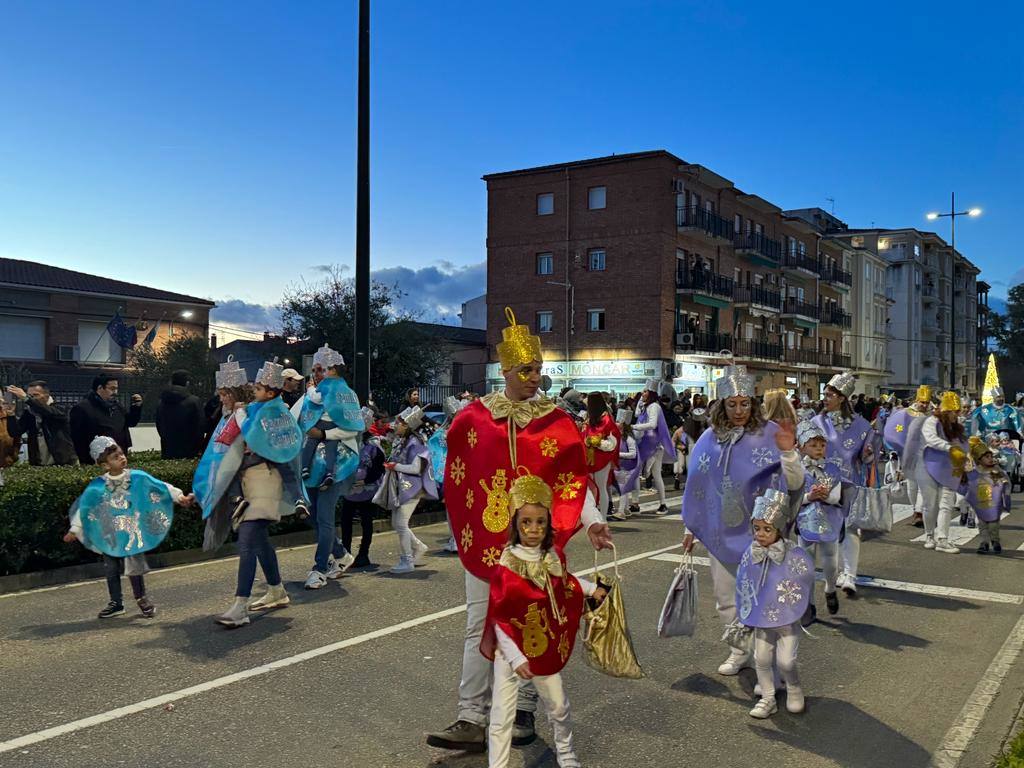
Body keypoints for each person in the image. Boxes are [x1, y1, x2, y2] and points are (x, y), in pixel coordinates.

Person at [425, 307, 611, 753]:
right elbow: (456, 473)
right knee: (478, 624)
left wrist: (593, 521)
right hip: (485, 544)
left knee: (533, 618)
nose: (534, 378)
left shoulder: (556, 422)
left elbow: (571, 480)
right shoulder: (473, 418)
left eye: (538, 370)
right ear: (505, 369)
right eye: (526, 370)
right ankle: (471, 716)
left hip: (534, 545)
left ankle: (524, 707)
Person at [681, 364, 803, 676]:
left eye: (745, 403)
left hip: (760, 532)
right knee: (725, 597)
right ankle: (739, 651)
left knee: (763, 594)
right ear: (721, 405)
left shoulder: (772, 434)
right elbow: (699, 483)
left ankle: (766, 655)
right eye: (732, 404)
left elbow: (794, 481)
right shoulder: (709, 438)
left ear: (753, 403)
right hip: (719, 531)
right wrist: (690, 527)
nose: (739, 410)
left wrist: (789, 454)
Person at [480, 472, 608, 767]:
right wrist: (515, 658)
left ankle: (566, 753)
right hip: (511, 653)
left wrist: (593, 589)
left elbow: (565, 582)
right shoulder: (506, 565)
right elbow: (499, 619)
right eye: (526, 522)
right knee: (501, 715)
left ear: (548, 522)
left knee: (559, 706)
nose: (534, 529)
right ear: (515, 523)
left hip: (544, 646)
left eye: (540, 522)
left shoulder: (553, 556)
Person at [213, 360, 306, 627]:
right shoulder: (256, 409)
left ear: (272, 391)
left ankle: (241, 606)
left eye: (260, 387)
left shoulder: (278, 414)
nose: (254, 389)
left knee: (248, 540)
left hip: (266, 478)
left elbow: (261, 442)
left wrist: (240, 416)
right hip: (250, 480)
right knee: (259, 540)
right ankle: (276, 590)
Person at [64, 436, 193, 618]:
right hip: (109, 533)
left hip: (132, 530)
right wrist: (75, 529)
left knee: (134, 566)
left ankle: (142, 598)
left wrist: (179, 497)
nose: (122, 458)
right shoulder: (99, 485)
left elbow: (160, 486)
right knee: (110, 568)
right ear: (105, 465)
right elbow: (86, 506)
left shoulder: (137, 477)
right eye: (115, 457)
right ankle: (116, 602)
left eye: (122, 454)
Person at [737, 488, 813, 718]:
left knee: (786, 661)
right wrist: (745, 611)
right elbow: (743, 582)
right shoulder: (751, 553)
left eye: (767, 529)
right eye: (756, 528)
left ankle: (793, 688)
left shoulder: (794, 554)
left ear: (779, 529)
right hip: (761, 617)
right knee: (761, 658)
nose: (760, 534)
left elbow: (805, 581)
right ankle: (768, 697)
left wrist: (804, 609)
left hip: (787, 618)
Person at [813, 373, 874, 596]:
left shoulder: (861, 425)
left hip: (850, 481)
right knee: (830, 528)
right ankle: (835, 571)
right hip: (824, 482)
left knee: (850, 527)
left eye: (829, 395)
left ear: (842, 398)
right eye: (825, 395)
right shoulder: (816, 422)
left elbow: (867, 458)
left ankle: (850, 575)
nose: (825, 399)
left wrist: (867, 454)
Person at [794, 420, 850, 626]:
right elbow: (795, 499)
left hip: (830, 518)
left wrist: (825, 496)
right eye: (812, 445)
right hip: (805, 519)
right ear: (801, 447)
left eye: (821, 445)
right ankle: (807, 605)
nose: (818, 449)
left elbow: (836, 497)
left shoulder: (833, 469)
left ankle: (830, 587)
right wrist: (810, 496)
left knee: (830, 559)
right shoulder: (797, 470)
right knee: (806, 563)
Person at [374, 405, 436, 574]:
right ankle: (418, 547)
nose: (396, 425)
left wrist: (395, 466)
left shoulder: (415, 443)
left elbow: (416, 469)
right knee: (397, 523)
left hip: (412, 488)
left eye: (400, 423)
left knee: (400, 524)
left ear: (408, 425)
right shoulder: (403, 441)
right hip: (402, 487)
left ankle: (407, 560)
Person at [916, 391, 970, 555]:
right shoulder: (931, 422)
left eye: (958, 412)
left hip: (949, 469)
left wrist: (966, 458)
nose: (957, 415)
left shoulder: (957, 427)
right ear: (947, 411)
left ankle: (943, 540)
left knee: (946, 504)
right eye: (955, 412)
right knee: (930, 505)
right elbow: (931, 439)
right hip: (929, 466)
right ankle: (929, 535)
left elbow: (963, 444)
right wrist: (950, 448)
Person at [299, 345, 356, 490]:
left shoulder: (347, 394)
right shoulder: (307, 397)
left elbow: (353, 428)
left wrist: (324, 434)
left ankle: (328, 473)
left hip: (341, 461)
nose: (316, 374)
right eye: (313, 370)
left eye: (321, 370)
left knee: (325, 510)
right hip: (311, 469)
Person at [341, 409, 387, 569]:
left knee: (366, 522)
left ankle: (363, 554)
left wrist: (366, 480)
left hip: (367, 490)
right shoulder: (346, 441)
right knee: (345, 522)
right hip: (348, 490)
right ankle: (344, 554)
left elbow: (380, 467)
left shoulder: (373, 444)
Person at [70, 374, 142, 464]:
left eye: (116, 388)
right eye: (112, 389)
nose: (115, 392)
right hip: (96, 461)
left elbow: (130, 422)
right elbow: (77, 438)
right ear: (100, 388)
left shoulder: (117, 406)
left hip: (119, 457)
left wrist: (136, 408)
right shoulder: (82, 408)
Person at [632, 379, 675, 514]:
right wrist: (640, 401)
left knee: (654, 474)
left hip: (654, 445)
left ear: (651, 393)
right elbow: (637, 414)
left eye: (645, 391)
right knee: (642, 474)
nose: (642, 394)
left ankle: (657, 503)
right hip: (646, 443)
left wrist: (634, 426)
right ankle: (637, 503)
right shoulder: (647, 406)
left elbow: (652, 424)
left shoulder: (654, 407)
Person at [7, 382, 77, 466]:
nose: (32, 398)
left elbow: (48, 412)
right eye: (29, 395)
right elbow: (15, 432)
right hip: (38, 463)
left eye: (35, 395)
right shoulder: (29, 413)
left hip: (62, 462)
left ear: (46, 395)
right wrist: (11, 415)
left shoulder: (60, 408)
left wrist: (27, 399)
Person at [964, 437, 1011, 554]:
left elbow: (1005, 481)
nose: (990, 459)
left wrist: (1005, 490)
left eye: (991, 457)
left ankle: (995, 541)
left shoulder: (995, 470)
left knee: (993, 524)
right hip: (981, 501)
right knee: (982, 524)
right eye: (987, 457)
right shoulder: (975, 471)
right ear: (979, 460)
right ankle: (984, 543)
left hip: (994, 503)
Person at [582, 392, 620, 521]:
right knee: (590, 489)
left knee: (601, 487)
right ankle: (594, 517)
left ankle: (603, 518)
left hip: (602, 458)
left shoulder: (607, 420)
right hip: (589, 457)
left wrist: (598, 442)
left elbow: (613, 443)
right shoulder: (589, 421)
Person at [154, 370, 204, 459]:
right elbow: (200, 426)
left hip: (167, 449)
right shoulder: (194, 401)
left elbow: (158, 424)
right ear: (187, 383)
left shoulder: (161, 402)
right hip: (190, 451)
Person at [610, 411, 640, 520]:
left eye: (618, 421)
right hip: (619, 467)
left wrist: (618, 454)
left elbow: (633, 454)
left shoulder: (629, 439)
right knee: (622, 489)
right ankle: (626, 509)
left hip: (627, 467)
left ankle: (621, 511)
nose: (616, 423)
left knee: (623, 489)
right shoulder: (615, 437)